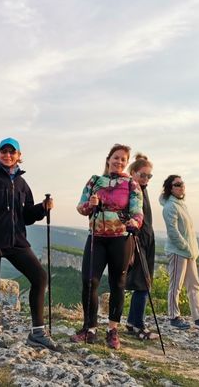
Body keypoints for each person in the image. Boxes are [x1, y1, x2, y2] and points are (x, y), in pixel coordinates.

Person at [0, 137, 60, 351]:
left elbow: (26, 216)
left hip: (16, 240)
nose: (7, 155)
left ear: (19, 156)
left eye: (12, 152)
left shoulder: (22, 183)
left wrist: (42, 208)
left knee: (40, 277)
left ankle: (37, 333)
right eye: (4, 151)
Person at [70, 144, 143, 350]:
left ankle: (112, 330)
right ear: (108, 159)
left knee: (117, 283)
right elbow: (81, 207)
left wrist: (135, 222)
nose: (119, 162)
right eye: (116, 157)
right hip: (96, 237)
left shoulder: (131, 184)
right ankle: (89, 328)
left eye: (123, 159)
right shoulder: (95, 181)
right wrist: (90, 205)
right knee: (89, 281)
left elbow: (137, 211)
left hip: (121, 238)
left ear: (126, 163)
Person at [160, 175, 199, 331]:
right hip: (178, 251)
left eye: (182, 183)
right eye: (177, 184)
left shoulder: (181, 205)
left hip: (189, 253)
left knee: (194, 285)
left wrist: (191, 250)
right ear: (170, 188)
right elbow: (173, 232)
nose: (181, 186)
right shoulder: (170, 206)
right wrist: (186, 247)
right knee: (176, 285)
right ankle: (174, 317)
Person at [124, 154, 159, 340]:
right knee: (142, 283)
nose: (146, 179)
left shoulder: (142, 189)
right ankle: (139, 325)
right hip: (137, 241)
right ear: (132, 172)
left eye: (149, 176)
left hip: (146, 241)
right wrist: (130, 247)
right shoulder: (130, 190)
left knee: (144, 282)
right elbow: (127, 218)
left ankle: (132, 322)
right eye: (142, 175)